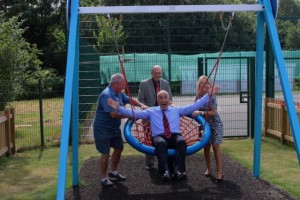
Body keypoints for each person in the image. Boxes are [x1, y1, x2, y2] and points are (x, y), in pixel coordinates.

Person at [107, 87, 219, 181]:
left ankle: (179, 170)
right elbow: (134, 113)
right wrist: (119, 108)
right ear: (157, 100)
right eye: (161, 98)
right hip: (159, 136)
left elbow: (194, 106)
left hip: (175, 135)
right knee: (160, 143)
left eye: (165, 97)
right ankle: (164, 172)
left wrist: (208, 96)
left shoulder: (177, 110)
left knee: (181, 141)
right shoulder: (151, 111)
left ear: (168, 99)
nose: (163, 99)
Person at [93, 73, 147, 187]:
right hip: (103, 129)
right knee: (105, 153)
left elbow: (129, 100)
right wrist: (130, 115)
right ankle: (103, 178)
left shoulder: (118, 93)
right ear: (115, 83)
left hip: (114, 128)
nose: (124, 86)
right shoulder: (106, 95)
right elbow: (114, 114)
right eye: (123, 84)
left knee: (119, 148)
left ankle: (114, 172)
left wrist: (141, 105)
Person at [138, 65, 173, 171]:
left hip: (163, 116)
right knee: (148, 138)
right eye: (156, 73)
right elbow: (141, 101)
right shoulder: (144, 84)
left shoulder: (165, 83)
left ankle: (163, 160)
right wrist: (147, 110)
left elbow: (170, 99)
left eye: (159, 73)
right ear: (151, 73)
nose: (158, 75)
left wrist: (171, 108)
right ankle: (150, 162)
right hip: (149, 116)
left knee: (164, 137)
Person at [192, 75, 224, 183]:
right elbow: (193, 109)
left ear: (209, 85)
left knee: (215, 146)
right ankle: (209, 168)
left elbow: (214, 112)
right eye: (201, 83)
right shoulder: (198, 96)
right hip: (204, 124)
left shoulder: (212, 96)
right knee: (206, 147)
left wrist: (200, 112)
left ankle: (219, 171)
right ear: (199, 85)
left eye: (206, 83)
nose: (204, 85)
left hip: (215, 123)